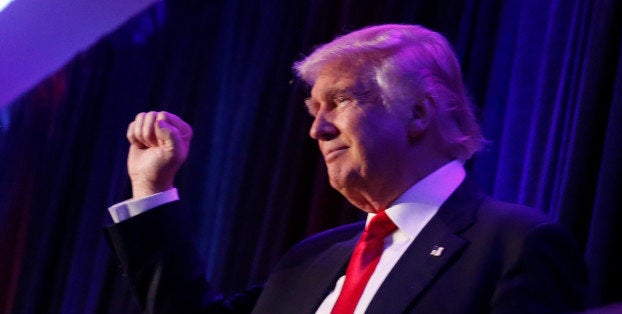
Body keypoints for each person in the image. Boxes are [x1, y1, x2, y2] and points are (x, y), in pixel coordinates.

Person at [105, 24, 589, 313]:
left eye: (338, 102)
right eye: (313, 110)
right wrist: (152, 187)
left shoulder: (514, 244)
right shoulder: (308, 260)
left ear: (418, 113)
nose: (317, 130)